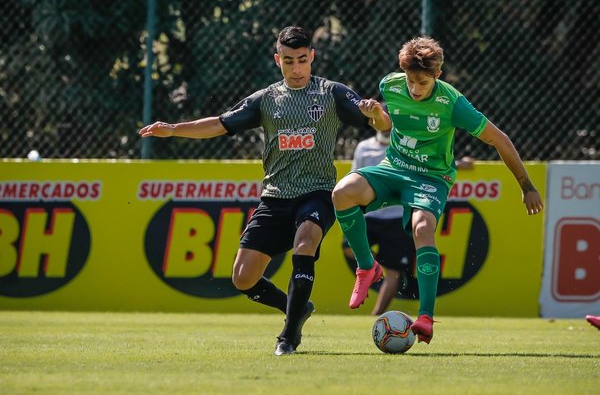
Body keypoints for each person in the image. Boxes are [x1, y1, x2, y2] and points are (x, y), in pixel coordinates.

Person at [138, 26, 391, 355]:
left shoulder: (331, 93)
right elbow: (219, 122)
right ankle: (297, 307)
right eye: (289, 61)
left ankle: (288, 336)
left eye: (302, 60)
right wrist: (173, 129)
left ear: (312, 57)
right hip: (274, 198)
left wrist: (377, 115)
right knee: (242, 278)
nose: (296, 68)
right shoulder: (266, 99)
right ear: (278, 60)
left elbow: (380, 123)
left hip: (316, 193)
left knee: (305, 243)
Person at [331, 36, 544, 344]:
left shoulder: (452, 103)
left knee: (422, 228)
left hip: (431, 178)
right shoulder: (390, 85)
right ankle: (368, 268)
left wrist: (527, 185)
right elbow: (386, 124)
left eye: (423, 82)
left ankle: (426, 316)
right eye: (411, 81)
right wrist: (377, 116)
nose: (415, 89)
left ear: (438, 75)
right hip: (394, 168)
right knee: (342, 192)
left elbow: (499, 139)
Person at [343, 128, 475, 316]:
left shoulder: (406, 144)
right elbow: (354, 176)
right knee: (348, 247)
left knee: (394, 272)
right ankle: (372, 265)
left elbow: (429, 163)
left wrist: (459, 163)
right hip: (371, 214)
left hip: (396, 215)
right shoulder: (364, 147)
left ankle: (376, 315)